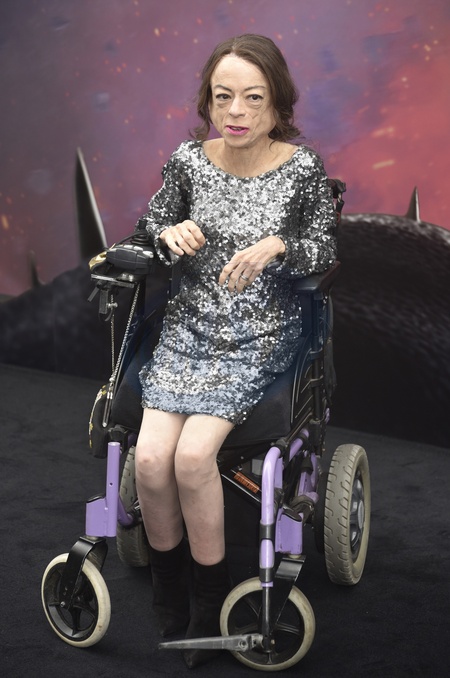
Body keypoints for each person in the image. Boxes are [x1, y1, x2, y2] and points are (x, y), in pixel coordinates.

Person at [134, 33, 337, 668]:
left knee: (193, 457)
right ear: (208, 100)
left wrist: (279, 245)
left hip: (258, 335)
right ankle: (169, 595)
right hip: (188, 330)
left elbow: (325, 250)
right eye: (223, 97)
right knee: (150, 461)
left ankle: (209, 600)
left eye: (253, 97)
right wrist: (168, 233)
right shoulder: (188, 163)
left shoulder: (301, 169)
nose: (236, 111)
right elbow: (145, 232)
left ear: (278, 103)